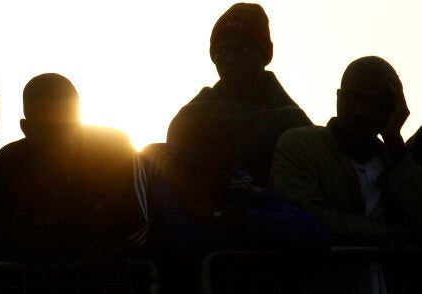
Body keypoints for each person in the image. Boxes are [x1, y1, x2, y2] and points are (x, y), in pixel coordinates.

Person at [0, 73, 148, 266]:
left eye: (69, 127)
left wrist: (58, 243)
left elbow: (137, 228)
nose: (62, 139)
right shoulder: (8, 163)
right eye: (49, 130)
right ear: (26, 128)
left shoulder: (116, 150)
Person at [270, 56, 422, 247]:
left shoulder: (392, 160)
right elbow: (307, 218)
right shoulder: (299, 145)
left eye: (372, 103)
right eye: (351, 98)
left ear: (391, 108)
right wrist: (396, 234)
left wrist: (394, 140)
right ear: (338, 96)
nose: (359, 111)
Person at [143, 112, 328, 259]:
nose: (209, 182)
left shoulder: (238, 185)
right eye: (197, 171)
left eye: (218, 172)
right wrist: (251, 234)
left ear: (233, 162)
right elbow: (188, 241)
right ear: (179, 162)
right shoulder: (156, 183)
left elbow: (312, 231)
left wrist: (224, 215)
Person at [167, 2, 312, 186]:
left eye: (243, 49)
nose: (231, 59)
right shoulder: (189, 118)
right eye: (222, 51)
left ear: (264, 55)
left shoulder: (293, 125)